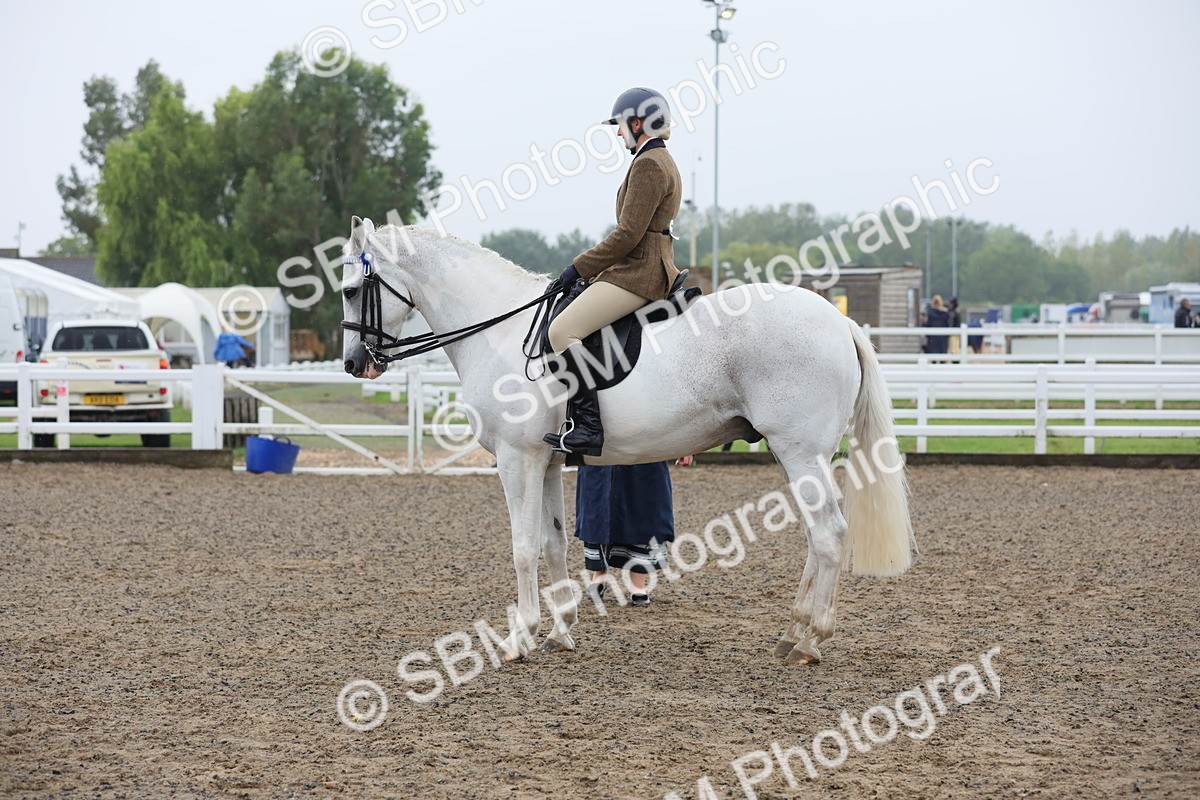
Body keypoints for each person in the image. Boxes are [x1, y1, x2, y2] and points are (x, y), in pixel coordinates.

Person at [543, 88, 683, 457]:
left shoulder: (649, 164)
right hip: (638, 266)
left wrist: (578, 267)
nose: (618, 133)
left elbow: (627, 235)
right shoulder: (656, 159)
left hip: (640, 272)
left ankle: (588, 425)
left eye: (620, 125)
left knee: (561, 330)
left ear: (637, 123)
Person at [575, 462, 674, 607]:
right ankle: (599, 573)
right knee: (599, 503)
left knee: (644, 503)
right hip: (602, 446)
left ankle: (638, 584)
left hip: (646, 445)